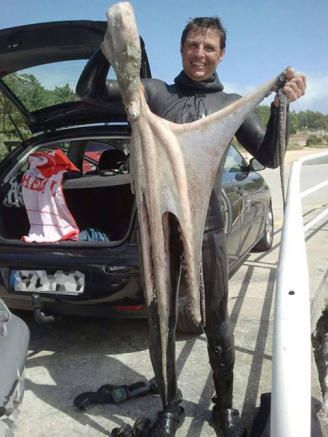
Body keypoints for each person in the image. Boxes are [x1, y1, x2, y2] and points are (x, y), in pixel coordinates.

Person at [77, 16, 306, 437]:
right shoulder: (155, 93)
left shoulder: (230, 104)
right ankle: (170, 406)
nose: (200, 54)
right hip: (159, 229)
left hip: (208, 229)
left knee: (217, 319)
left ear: (221, 54)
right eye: (193, 45)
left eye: (209, 48)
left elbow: (271, 155)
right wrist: (109, 50)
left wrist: (281, 105)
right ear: (181, 48)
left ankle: (224, 407)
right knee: (158, 315)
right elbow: (87, 93)